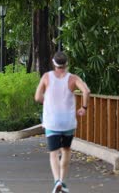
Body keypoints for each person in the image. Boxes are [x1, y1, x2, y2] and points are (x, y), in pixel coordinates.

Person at [34, 52, 90, 193]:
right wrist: (83, 108)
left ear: (54, 63)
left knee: (53, 153)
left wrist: (46, 101)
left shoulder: (47, 77)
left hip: (51, 121)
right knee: (66, 150)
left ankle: (57, 181)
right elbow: (86, 91)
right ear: (66, 63)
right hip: (68, 122)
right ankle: (63, 181)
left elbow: (37, 97)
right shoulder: (73, 78)